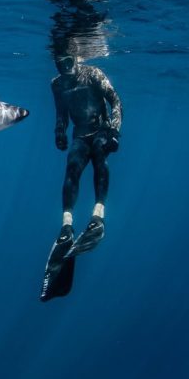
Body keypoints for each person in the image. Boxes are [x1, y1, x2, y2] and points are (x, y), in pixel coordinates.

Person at [52, 54, 122, 257]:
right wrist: (60, 132)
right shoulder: (56, 85)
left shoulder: (93, 74)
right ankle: (66, 225)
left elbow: (115, 101)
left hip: (101, 129)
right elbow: (61, 113)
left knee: (100, 156)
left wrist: (114, 131)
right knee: (71, 168)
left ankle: (98, 215)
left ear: (75, 58)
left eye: (67, 61)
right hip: (80, 135)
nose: (64, 67)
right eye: (59, 63)